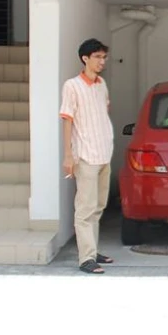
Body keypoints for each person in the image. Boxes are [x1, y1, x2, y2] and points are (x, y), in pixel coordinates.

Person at [59, 38, 115, 274]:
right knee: (85, 208)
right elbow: (67, 119)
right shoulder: (72, 86)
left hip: (104, 154)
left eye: (104, 57)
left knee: (99, 206)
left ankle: (92, 249)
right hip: (86, 155)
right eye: (98, 57)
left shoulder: (101, 84)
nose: (102, 61)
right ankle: (86, 259)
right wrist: (68, 156)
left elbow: (103, 112)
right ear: (85, 58)